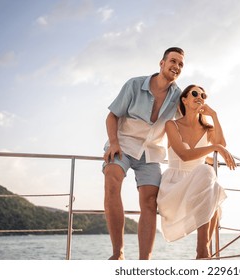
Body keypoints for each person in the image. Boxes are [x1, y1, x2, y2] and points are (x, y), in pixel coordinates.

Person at [102, 47, 185, 260]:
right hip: (123, 145)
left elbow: (189, 121)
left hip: (151, 153)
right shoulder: (134, 85)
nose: (176, 66)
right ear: (162, 63)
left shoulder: (178, 96)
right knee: (112, 179)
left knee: (150, 201)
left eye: (180, 64)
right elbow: (112, 117)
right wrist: (113, 143)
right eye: (173, 61)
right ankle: (117, 252)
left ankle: (144, 263)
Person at [156, 84, 236, 259]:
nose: (200, 96)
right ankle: (203, 250)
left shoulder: (208, 129)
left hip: (201, 185)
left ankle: (203, 250)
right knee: (207, 174)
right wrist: (214, 147)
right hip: (175, 185)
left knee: (211, 182)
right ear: (184, 99)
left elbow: (221, 144)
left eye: (204, 95)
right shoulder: (172, 125)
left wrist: (214, 116)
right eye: (195, 93)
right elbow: (184, 155)